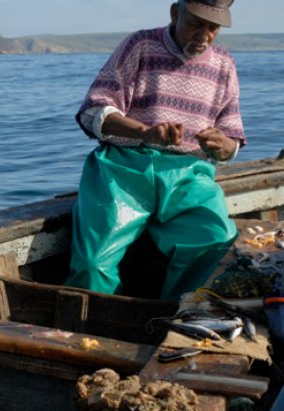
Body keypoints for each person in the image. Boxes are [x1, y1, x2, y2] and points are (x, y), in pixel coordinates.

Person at [66, 0, 246, 301]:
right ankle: (92, 328)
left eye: (212, 27)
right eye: (195, 23)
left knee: (217, 243)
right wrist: (145, 132)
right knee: (93, 262)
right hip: (123, 170)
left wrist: (225, 145)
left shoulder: (224, 64)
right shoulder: (140, 45)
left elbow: (232, 138)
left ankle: (175, 319)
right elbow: (93, 112)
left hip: (188, 176)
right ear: (175, 13)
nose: (203, 35)